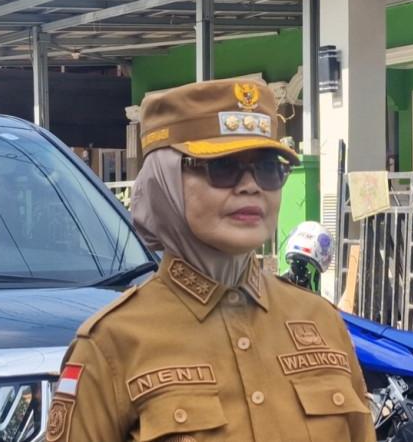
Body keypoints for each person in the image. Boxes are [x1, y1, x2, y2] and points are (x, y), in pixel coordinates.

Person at [45, 79, 376, 442]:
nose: (250, 186)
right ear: (165, 182)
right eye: (223, 166)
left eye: (268, 168)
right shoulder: (112, 344)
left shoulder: (321, 321)